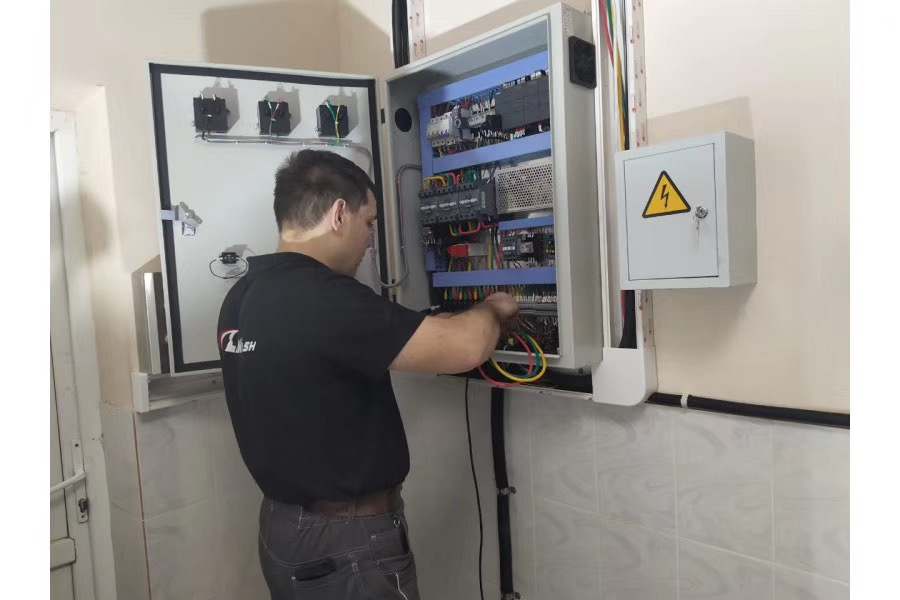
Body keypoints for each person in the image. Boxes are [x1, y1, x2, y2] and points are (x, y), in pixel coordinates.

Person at [217, 149, 518, 599]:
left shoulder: (242, 295)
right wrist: (494, 307)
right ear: (339, 214)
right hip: (347, 544)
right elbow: (467, 347)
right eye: (369, 223)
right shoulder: (325, 297)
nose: (369, 240)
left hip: (284, 529)